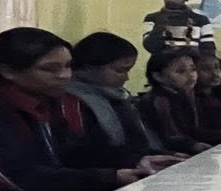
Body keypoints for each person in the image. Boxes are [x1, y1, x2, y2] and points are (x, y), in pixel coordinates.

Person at [0, 28, 139, 191]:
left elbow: (82, 153)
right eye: (49, 69)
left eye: (68, 66)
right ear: (8, 71)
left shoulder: (55, 101)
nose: (64, 75)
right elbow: (13, 176)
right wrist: (107, 177)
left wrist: (136, 163)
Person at [69, 33, 174, 170]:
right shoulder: (74, 102)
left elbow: (139, 141)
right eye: (120, 70)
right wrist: (137, 161)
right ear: (89, 67)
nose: (127, 78)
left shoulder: (120, 98)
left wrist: (165, 155)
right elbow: (90, 153)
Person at [141, 49, 211, 154]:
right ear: (158, 76)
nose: (191, 75)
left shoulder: (186, 94)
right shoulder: (159, 100)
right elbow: (169, 135)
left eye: (193, 69)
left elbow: (195, 129)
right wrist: (194, 145)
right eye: (181, 71)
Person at [140, 0, 215, 58]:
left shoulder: (201, 20)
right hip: (162, 66)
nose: (173, 0)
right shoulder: (152, 18)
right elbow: (150, 47)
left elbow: (208, 50)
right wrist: (159, 26)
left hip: (193, 66)